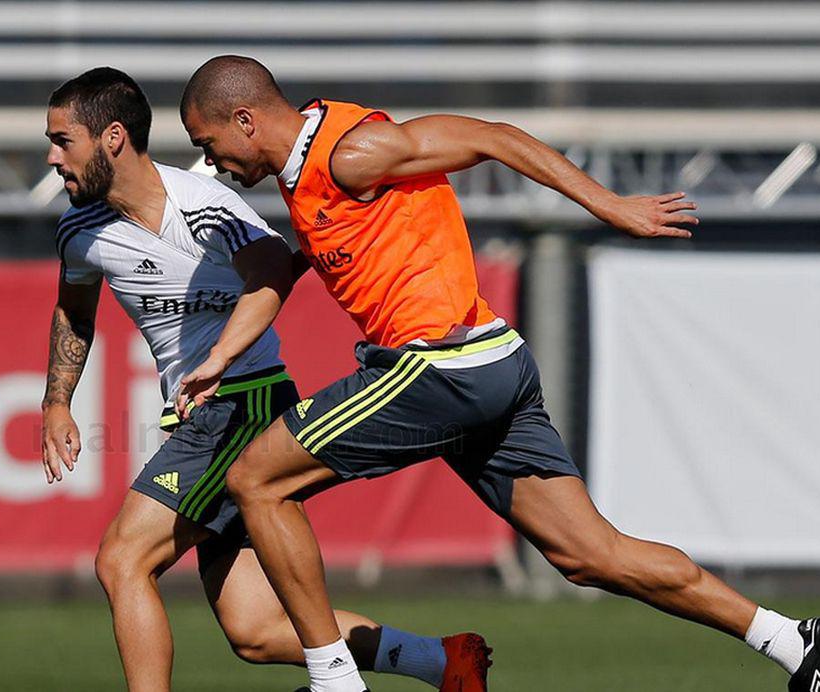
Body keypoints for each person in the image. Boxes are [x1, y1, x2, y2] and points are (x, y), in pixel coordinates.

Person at [176, 55, 820, 692]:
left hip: (444, 366)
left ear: (246, 121)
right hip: (487, 364)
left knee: (257, 478)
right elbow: (328, 245)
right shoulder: (306, 171)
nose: (210, 161)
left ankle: (333, 679)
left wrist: (608, 204)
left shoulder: (351, 152)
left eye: (207, 142)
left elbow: (494, 136)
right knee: (593, 554)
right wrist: (237, 335)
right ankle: (795, 642)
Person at [40, 66, 489, 692]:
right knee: (254, 631)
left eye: (63, 141)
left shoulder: (199, 205)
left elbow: (276, 265)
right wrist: (57, 401)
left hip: (242, 401)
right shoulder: (80, 230)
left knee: (122, 560)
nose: (53, 156)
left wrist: (221, 356)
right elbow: (74, 309)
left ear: (112, 137)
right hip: (202, 411)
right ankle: (444, 663)